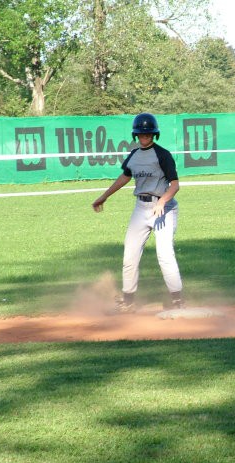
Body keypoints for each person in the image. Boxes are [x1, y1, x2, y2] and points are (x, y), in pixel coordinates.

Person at [92, 112, 183, 313]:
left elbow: (175, 185)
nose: (145, 137)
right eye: (141, 134)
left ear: (154, 134)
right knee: (129, 255)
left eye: (148, 134)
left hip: (164, 209)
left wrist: (163, 201)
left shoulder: (162, 154)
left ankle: (177, 300)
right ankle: (128, 302)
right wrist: (104, 196)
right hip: (141, 208)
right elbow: (125, 177)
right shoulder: (133, 156)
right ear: (136, 135)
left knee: (165, 255)